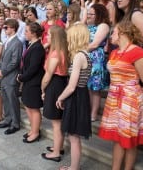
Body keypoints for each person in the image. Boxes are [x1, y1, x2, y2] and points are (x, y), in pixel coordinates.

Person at [98, 21, 143, 170]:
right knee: (117, 138)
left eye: (113, 32)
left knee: (129, 139)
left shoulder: (138, 52)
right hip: (114, 98)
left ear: (123, 32)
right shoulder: (115, 52)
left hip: (131, 100)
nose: (111, 36)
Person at [56, 23, 92, 170]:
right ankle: (74, 166)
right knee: (74, 136)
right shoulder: (86, 54)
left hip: (77, 96)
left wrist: (60, 97)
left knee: (73, 137)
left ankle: (74, 168)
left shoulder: (78, 56)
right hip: (81, 95)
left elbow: (71, 86)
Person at [41, 26, 69, 162]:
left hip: (54, 85)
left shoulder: (55, 54)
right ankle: (59, 147)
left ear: (55, 37)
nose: (47, 37)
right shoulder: (63, 51)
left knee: (56, 123)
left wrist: (42, 89)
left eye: (49, 35)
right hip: (61, 83)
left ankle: (56, 152)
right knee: (58, 120)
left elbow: (48, 76)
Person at [17, 22, 45, 143]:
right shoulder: (31, 44)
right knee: (28, 106)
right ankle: (32, 129)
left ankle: (36, 132)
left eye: (27, 31)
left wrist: (21, 77)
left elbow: (33, 68)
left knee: (34, 109)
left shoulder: (38, 47)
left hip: (34, 82)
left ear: (33, 33)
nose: (25, 33)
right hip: (29, 81)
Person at [0, 19, 23, 135]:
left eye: (6, 27)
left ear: (13, 28)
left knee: (13, 101)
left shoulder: (17, 42)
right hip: (4, 76)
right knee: (6, 100)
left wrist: (3, 71)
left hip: (11, 76)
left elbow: (15, 61)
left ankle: (16, 124)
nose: (4, 29)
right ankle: (8, 120)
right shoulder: (6, 41)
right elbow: (2, 59)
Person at [87, 4, 110, 122]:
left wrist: (80, 50)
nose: (88, 16)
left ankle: (94, 114)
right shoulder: (89, 26)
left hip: (96, 58)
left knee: (95, 88)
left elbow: (95, 44)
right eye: (88, 13)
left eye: (91, 14)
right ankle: (89, 110)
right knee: (89, 87)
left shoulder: (103, 26)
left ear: (99, 15)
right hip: (87, 57)